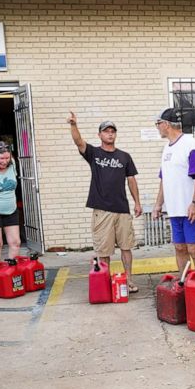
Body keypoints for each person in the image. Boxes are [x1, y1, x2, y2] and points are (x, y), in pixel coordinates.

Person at [68, 112, 142, 292]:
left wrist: (137, 203)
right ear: (99, 134)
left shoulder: (124, 156)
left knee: (126, 247)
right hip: (102, 210)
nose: (110, 134)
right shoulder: (94, 153)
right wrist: (73, 125)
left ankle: (129, 280)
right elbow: (79, 142)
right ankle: (105, 283)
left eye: (112, 131)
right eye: (106, 131)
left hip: (122, 209)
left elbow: (131, 180)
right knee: (104, 251)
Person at [151, 108, 195, 273]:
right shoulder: (167, 148)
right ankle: (186, 284)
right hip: (174, 210)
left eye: (158, 123)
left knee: (194, 249)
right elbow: (165, 179)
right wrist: (158, 205)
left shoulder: (189, 144)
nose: (157, 127)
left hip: (190, 209)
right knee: (179, 248)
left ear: (166, 124)